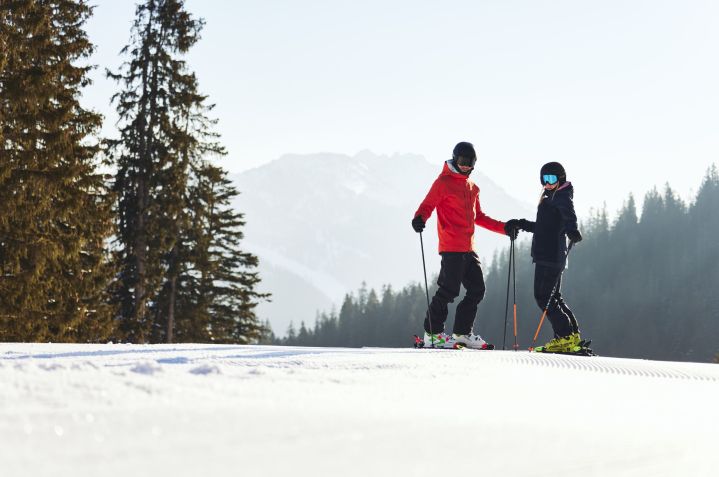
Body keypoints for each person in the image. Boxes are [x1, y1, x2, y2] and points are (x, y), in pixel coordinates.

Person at [412, 142, 521, 349]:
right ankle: (432, 334)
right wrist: (419, 218)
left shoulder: (472, 188)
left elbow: (478, 217)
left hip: (468, 248)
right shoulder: (442, 183)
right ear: (454, 159)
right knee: (449, 290)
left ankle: (462, 333)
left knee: (477, 289)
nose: (465, 165)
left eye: (469, 162)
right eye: (462, 161)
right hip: (451, 246)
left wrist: (504, 228)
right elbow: (428, 205)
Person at [513, 161, 584, 353]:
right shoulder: (551, 197)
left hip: (550, 255)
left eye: (551, 178)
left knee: (544, 296)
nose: (547, 182)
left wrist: (572, 231)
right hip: (550, 254)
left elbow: (569, 215)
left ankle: (564, 337)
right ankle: (571, 335)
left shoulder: (560, 197)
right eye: (544, 179)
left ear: (560, 178)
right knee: (554, 297)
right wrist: (520, 223)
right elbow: (542, 227)